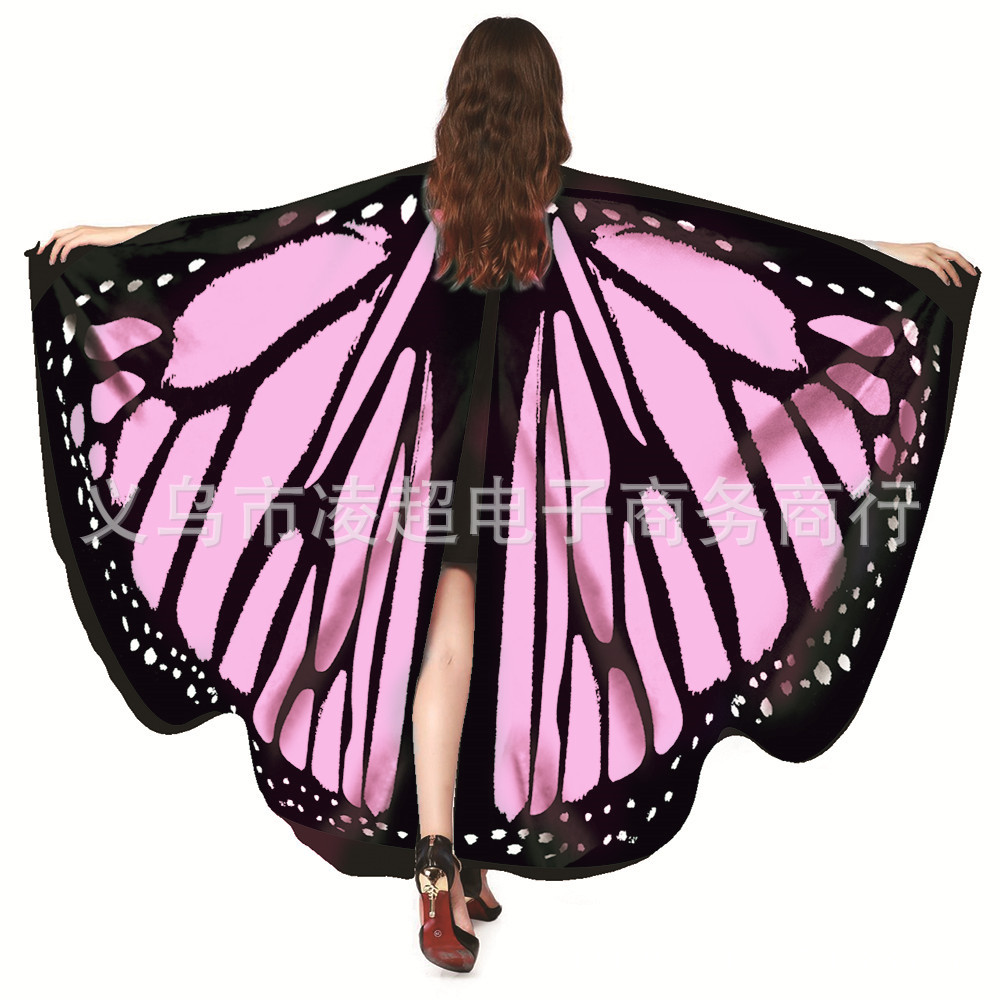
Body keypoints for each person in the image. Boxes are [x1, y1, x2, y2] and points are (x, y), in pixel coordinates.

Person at [33, 16, 978, 976]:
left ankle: (461, 854)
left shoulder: (423, 207)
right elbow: (730, 256)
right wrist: (887, 265)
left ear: (463, 105)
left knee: (467, 652)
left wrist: (116, 242)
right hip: (528, 487)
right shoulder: (567, 214)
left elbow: (263, 240)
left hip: (436, 476)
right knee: (483, 650)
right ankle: (438, 867)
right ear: (545, 109)